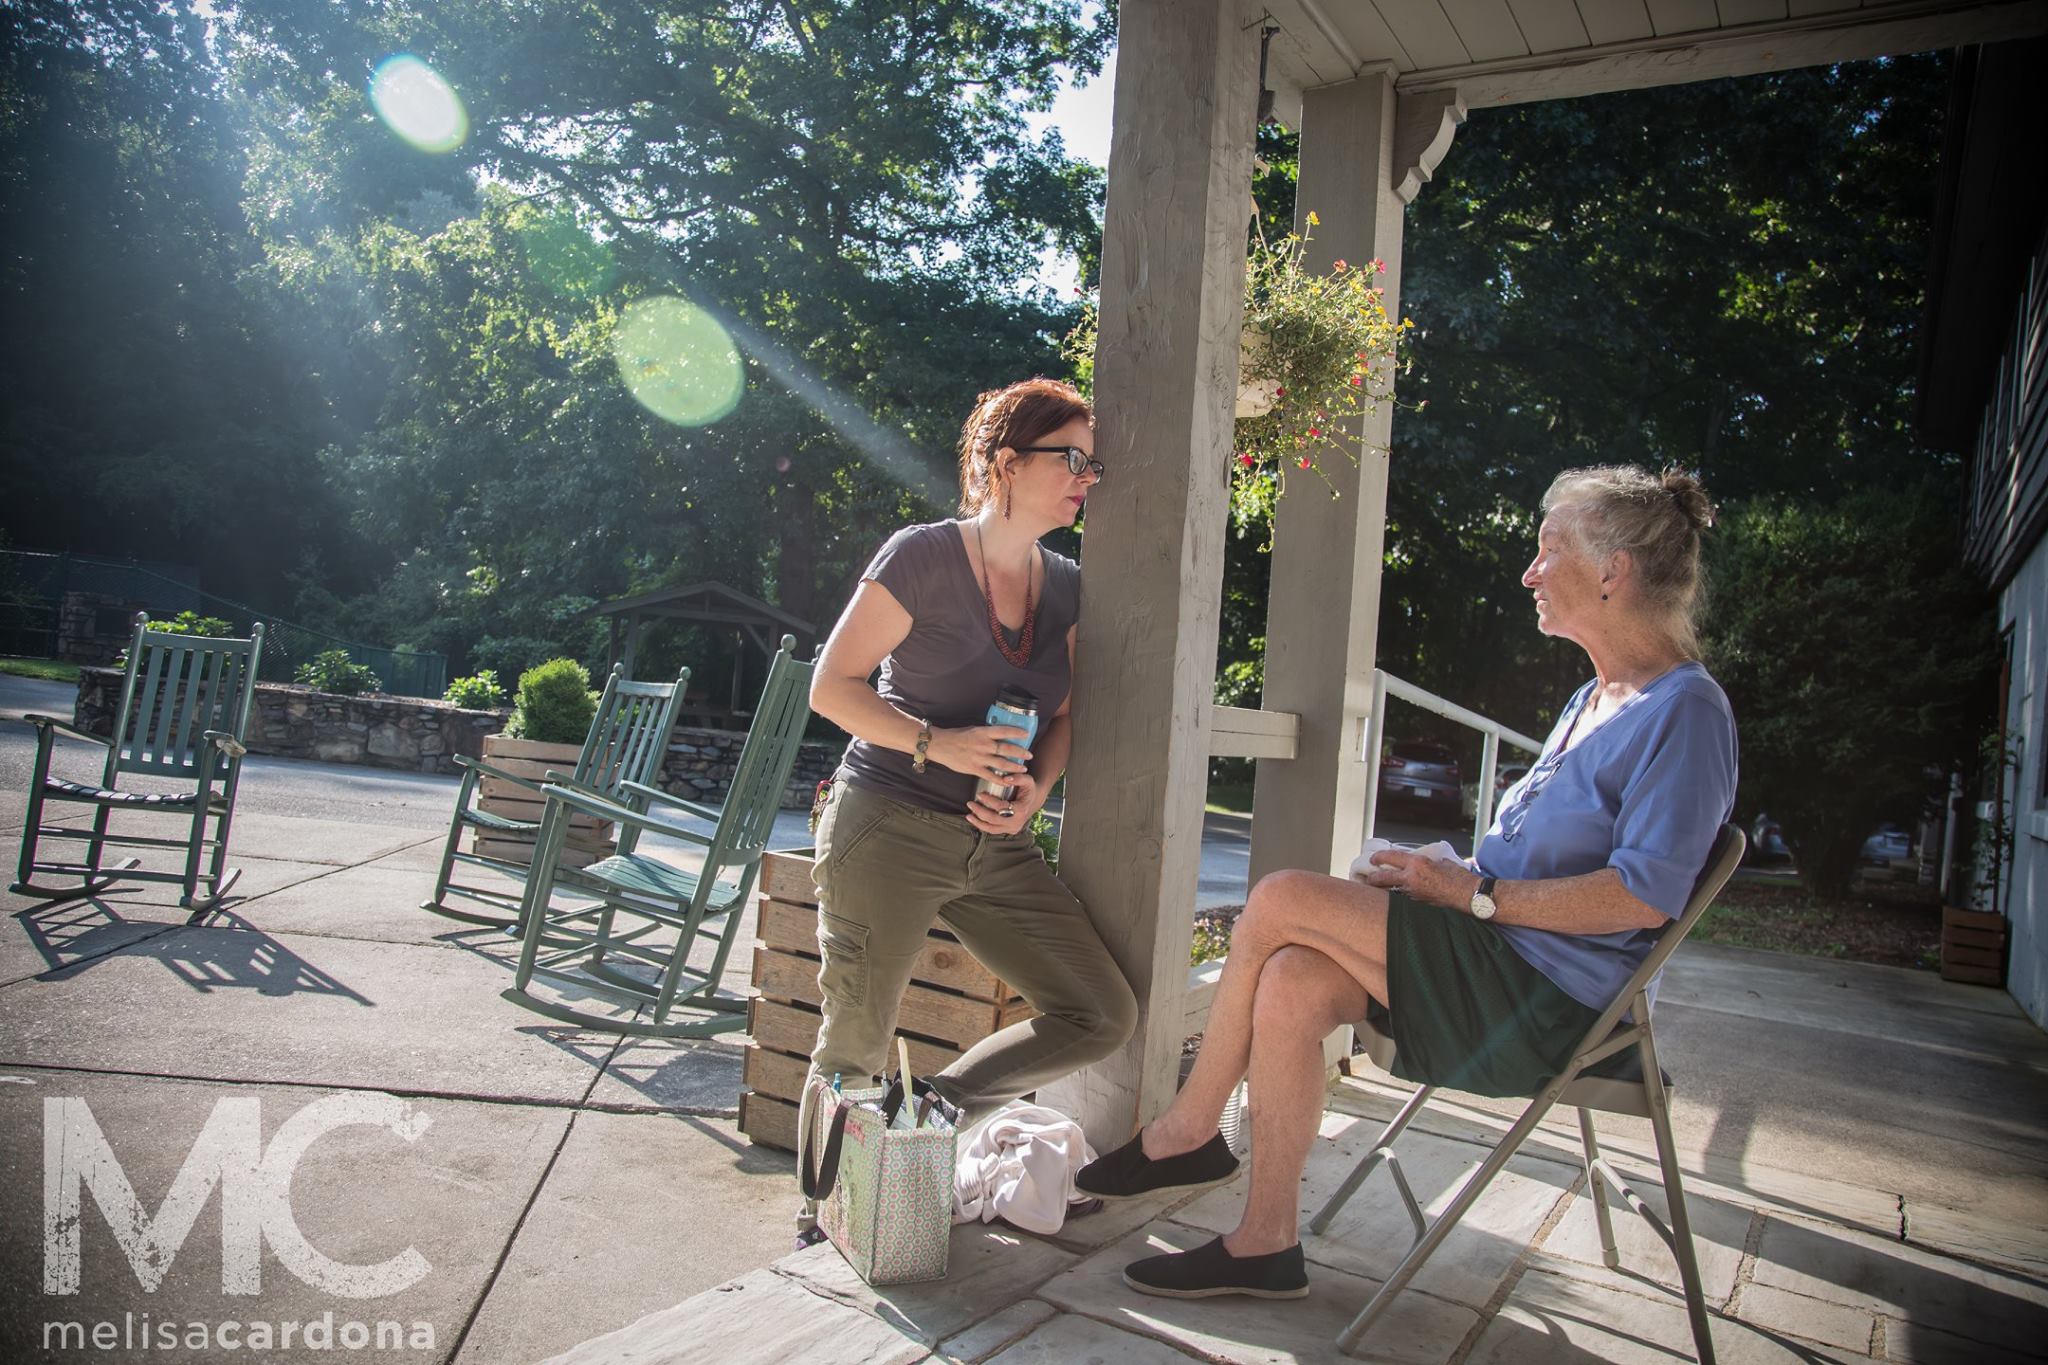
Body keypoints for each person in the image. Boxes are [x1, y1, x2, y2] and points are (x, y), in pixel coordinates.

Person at [1076, 464, 1736, 1301]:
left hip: (1552, 1006)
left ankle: (1188, 1126)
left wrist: (1470, 896)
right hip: (1496, 959)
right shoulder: (1595, 697)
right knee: (1292, 980)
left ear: (1615, 571)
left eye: (1548, 549)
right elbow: (1535, 858)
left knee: (1279, 895)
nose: (1530, 571)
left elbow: (1642, 896)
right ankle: (1264, 1241)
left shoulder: (1688, 712)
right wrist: (1445, 875)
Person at [804, 377, 1138, 1137]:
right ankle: (826, 1212)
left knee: (1101, 1013)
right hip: (887, 825)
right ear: (1009, 463)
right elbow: (832, 687)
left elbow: (1064, 714)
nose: (1087, 480)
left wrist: (1037, 789)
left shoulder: (1069, 590)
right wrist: (938, 741)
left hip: (994, 841)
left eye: (1093, 466)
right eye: (1073, 460)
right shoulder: (921, 556)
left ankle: (923, 1117)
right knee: (854, 1047)